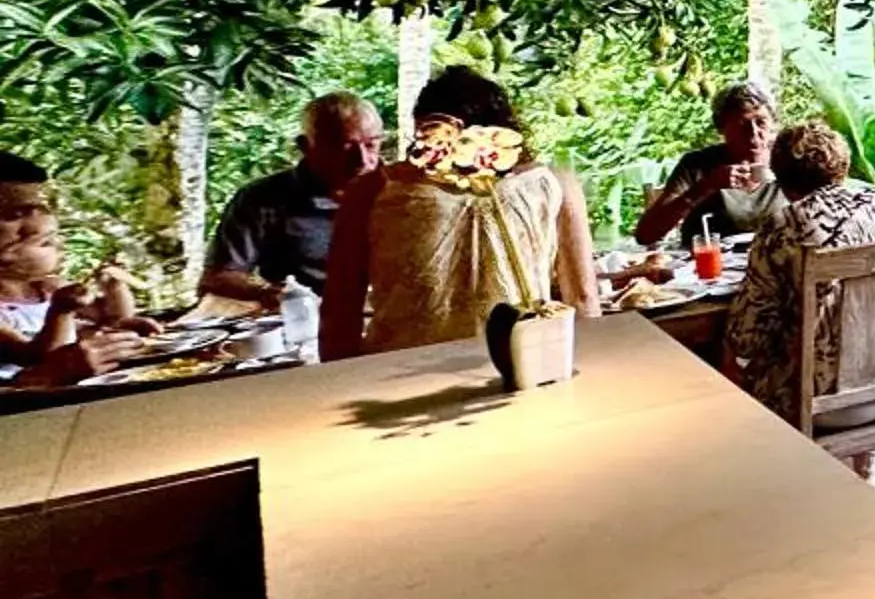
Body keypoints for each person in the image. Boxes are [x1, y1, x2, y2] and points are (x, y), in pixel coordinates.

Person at [320, 68, 599, 360]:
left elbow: (340, 317)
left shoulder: (370, 191)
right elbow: (583, 300)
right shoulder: (554, 183)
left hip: (399, 371)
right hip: (520, 364)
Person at [721, 119, 875, 426]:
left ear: (781, 178)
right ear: (842, 167)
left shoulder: (784, 225)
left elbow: (746, 338)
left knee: (725, 360)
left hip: (820, 399)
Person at [199, 91, 385, 307]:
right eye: (344, 147)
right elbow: (217, 277)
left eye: (371, 145)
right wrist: (269, 293)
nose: (362, 160)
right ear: (306, 146)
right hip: (309, 322)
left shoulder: (408, 193)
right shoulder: (262, 199)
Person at [0, 150, 156, 390]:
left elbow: (103, 321)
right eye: (14, 215)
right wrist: (61, 313)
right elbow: (38, 357)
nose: (39, 225)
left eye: (42, 210)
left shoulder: (48, 288)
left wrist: (119, 329)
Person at [633, 81, 783, 248]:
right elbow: (645, 235)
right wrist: (706, 187)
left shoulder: (788, 160)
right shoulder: (697, 165)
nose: (754, 133)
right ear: (721, 128)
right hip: (709, 266)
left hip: (776, 263)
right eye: (742, 124)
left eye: (761, 122)